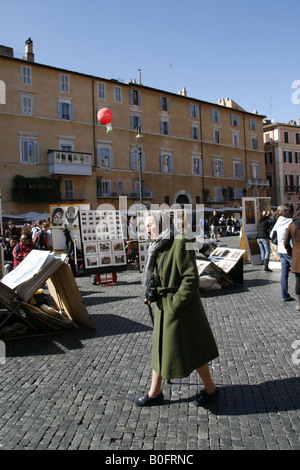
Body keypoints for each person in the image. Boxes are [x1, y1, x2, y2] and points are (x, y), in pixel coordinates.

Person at [135, 211, 219, 408]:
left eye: (150, 224)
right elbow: (157, 275)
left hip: (182, 309)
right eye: (145, 225)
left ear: (162, 223)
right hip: (165, 307)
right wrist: (152, 294)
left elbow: (191, 278)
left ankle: (211, 389)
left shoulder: (180, 241)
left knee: (194, 350)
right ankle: (155, 392)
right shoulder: (157, 246)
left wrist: (176, 304)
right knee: (161, 349)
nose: (147, 229)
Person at [270, 204, 294, 302]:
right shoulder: (290, 222)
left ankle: (284, 295)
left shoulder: (278, 221)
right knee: (297, 273)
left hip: (280, 250)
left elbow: (271, 234)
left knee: (284, 274)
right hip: (289, 249)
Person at [284, 208, 300, 310]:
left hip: (297, 256)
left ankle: (299, 304)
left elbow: (285, 242)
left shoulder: (292, 226)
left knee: (298, 280)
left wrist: (290, 252)